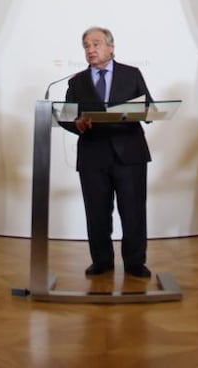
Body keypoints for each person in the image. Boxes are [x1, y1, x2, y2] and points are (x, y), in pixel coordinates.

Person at [63, 26, 154, 278]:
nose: (90, 50)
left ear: (111, 47)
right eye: (86, 46)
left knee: (134, 210)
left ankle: (135, 262)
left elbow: (149, 108)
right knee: (97, 212)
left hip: (130, 154)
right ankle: (101, 260)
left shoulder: (132, 74)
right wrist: (76, 124)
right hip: (93, 155)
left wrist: (135, 112)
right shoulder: (76, 81)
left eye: (96, 44)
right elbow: (66, 116)